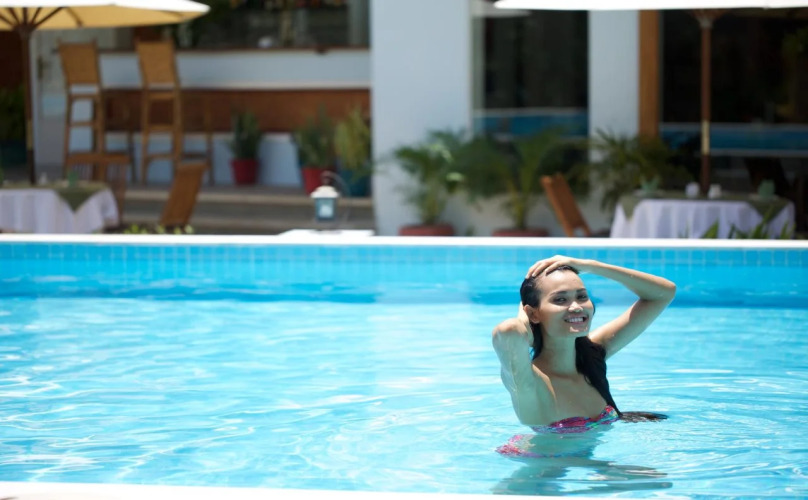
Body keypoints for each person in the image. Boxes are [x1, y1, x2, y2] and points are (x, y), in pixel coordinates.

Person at [492, 255, 676, 432]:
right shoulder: (527, 381)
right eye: (560, 299)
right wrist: (528, 321)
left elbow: (663, 293)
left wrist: (591, 266)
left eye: (581, 296)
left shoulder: (592, 355)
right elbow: (509, 331)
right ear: (532, 313)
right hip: (539, 455)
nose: (576, 307)